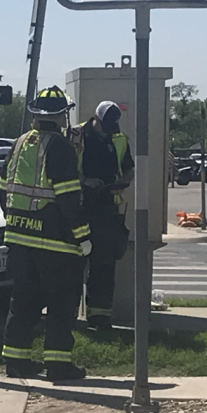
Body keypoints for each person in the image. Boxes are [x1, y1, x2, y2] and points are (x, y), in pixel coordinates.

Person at [0, 86, 92, 382]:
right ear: (62, 115)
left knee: (23, 302)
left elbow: (5, 194)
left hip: (18, 240)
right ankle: (58, 365)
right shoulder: (60, 147)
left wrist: (16, 223)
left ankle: (16, 362)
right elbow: (68, 199)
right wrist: (83, 236)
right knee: (61, 304)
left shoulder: (19, 144)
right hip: (55, 244)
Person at [72, 101, 134, 329]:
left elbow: (128, 168)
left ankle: (99, 317)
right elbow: (64, 171)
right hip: (79, 208)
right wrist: (86, 182)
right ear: (95, 119)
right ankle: (68, 315)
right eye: (105, 125)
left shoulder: (117, 138)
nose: (109, 130)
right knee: (73, 265)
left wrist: (123, 183)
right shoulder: (76, 136)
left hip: (107, 210)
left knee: (104, 266)